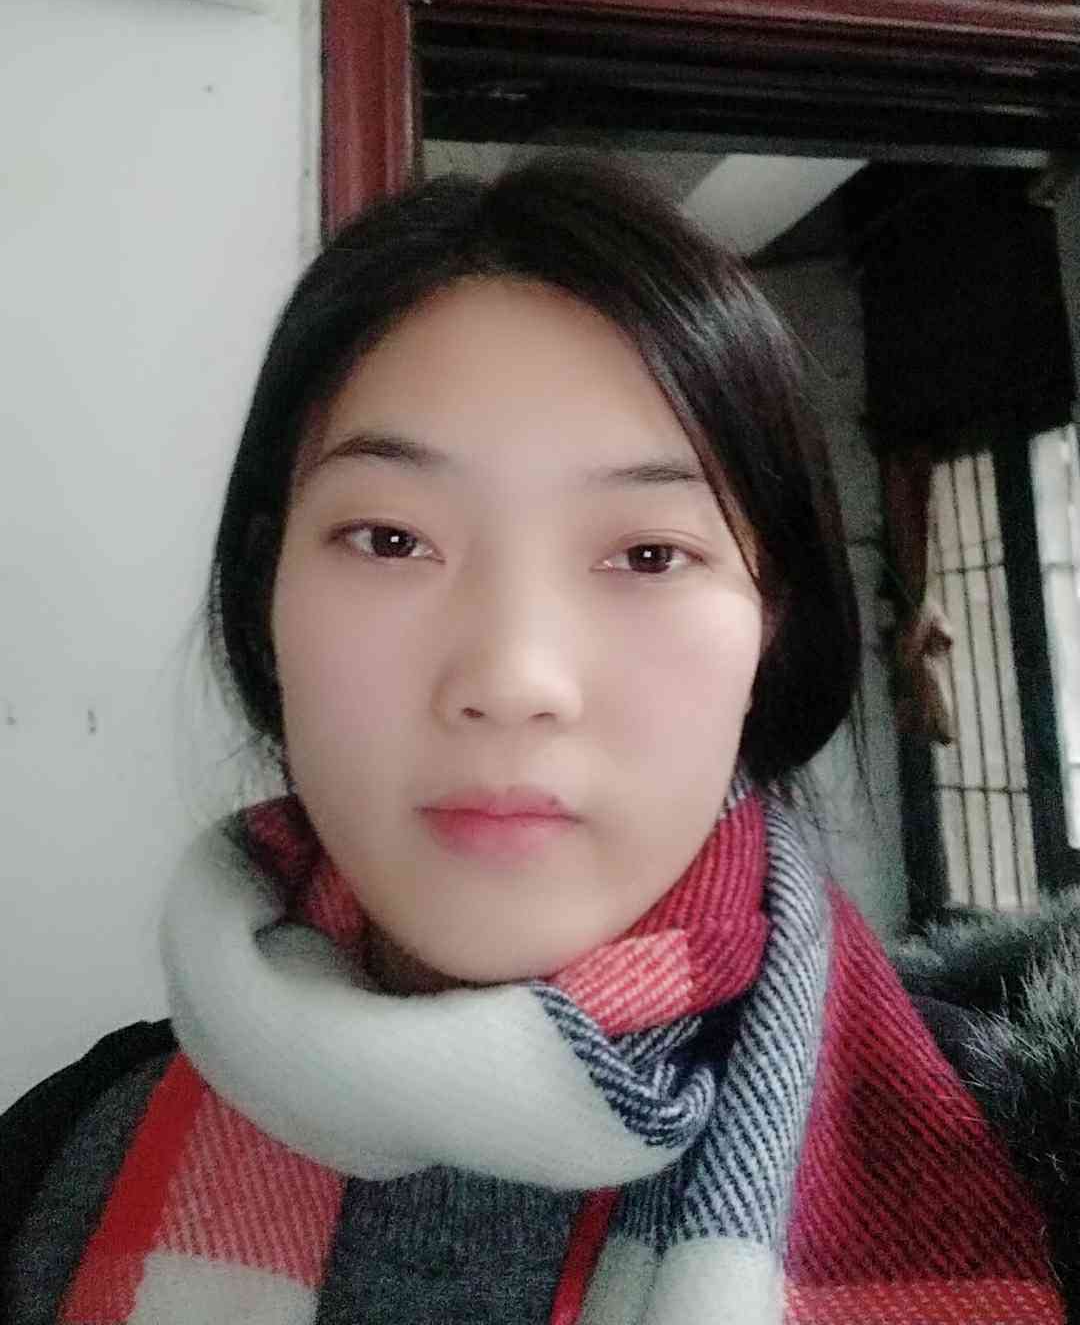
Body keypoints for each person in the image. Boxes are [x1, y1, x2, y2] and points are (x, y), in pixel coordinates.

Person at [2, 153, 1077, 1324]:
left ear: (770, 626)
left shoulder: (1037, 1156)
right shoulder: (49, 1169)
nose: (512, 681)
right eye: (391, 541)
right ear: (267, 598)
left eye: (648, 554)